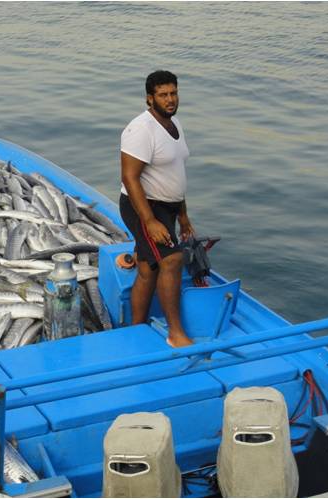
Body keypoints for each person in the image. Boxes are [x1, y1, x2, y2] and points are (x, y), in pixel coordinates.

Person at [119, 70, 195, 348]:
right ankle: (176, 333)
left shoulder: (174, 124)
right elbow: (130, 177)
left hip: (168, 208)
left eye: (173, 93)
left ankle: (136, 327)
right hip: (144, 209)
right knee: (172, 260)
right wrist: (149, 220)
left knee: (149, 267)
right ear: (150, 99)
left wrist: (183, 216)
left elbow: (176, 171)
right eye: (163, 95)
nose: (170, 99)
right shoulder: (141, 130)